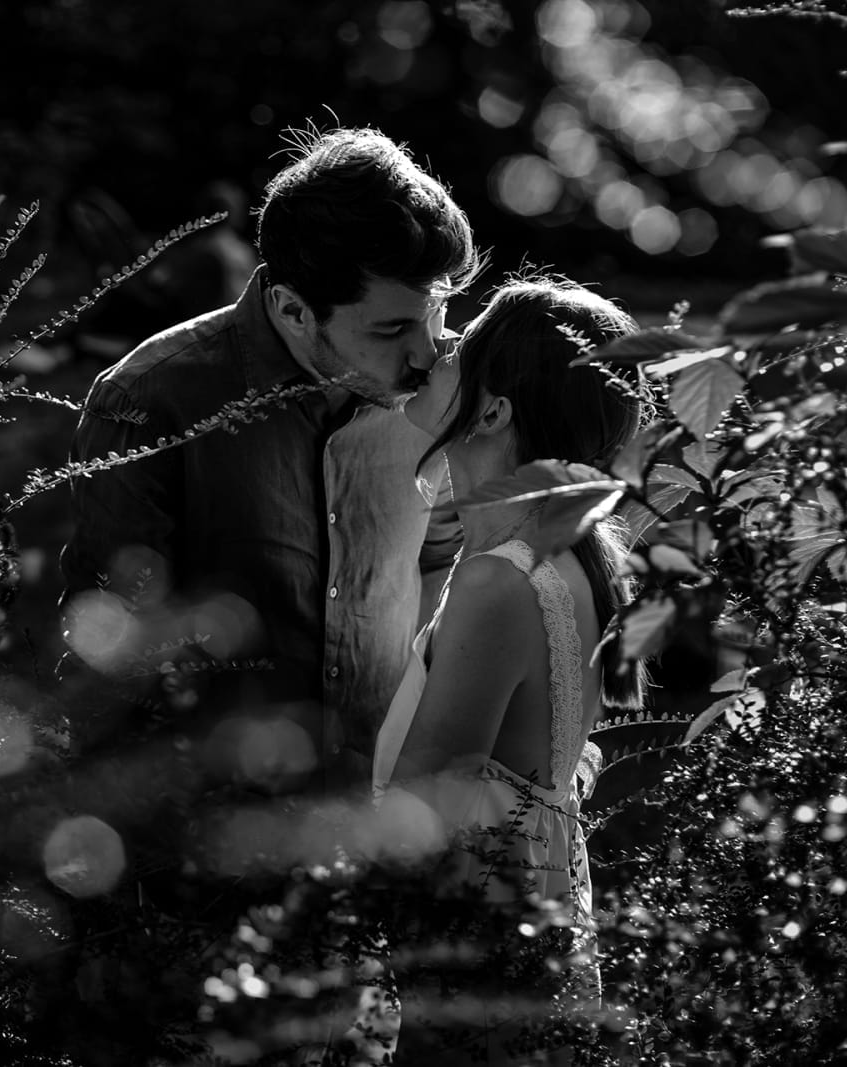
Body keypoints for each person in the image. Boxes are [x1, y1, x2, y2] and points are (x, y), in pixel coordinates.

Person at [58, 127, 479, 795]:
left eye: (437, 315)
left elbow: (444, 569)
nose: (430, 352)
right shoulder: (148, 400)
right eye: (394, 328)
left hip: (388, 823)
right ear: (292, 308)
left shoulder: (448, 391)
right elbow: (113, 651)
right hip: (212, 835)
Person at [371, 274, 650, 1065]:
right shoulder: (571, 565)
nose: (438, 352)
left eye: (463, 347)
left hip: (477, 946)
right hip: (537, 917)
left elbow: (426, 795)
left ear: (493, 409)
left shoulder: (500, 580)